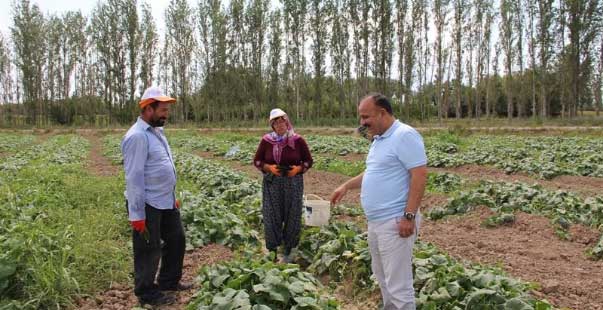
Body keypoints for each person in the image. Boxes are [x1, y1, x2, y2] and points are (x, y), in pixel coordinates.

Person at [330, 93, 427, 310]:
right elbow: (373, 173)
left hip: (395, 221)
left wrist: (408, 216)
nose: (362, 123)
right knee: (383, 279)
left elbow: (419, 176)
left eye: (366, 117)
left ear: (382, 113)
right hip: (376, 223)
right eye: (361, 117)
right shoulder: (380, 139)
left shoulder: (404, 135)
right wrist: (346, 186)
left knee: (399, 286)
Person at [121, 86, 191, 306]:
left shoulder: (157, 132)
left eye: (167, 110)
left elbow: (161, 167)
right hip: (148, 204)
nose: (166, 114)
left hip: (166, 200)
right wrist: (137, 214)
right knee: (148, 250)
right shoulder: (137, 137)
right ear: (148, 108)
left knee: (176, 239)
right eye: (162, 110)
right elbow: (134, 177)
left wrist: (172, 195)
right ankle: (146, 292)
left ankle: (169, 281)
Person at [253, 108, 313, 263]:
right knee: (272, 215)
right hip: (273, 183)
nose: (280, 125)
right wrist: (269, 168)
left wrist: (298, 169)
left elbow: (308, 161)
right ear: (272, 125)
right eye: (276, 122)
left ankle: (289, 250)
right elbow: (257, 161)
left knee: (292, 215)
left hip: (293, 183)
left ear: (287, 122)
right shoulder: (267, 141)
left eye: (282, 121)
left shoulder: (297, 140)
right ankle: (272, 251)